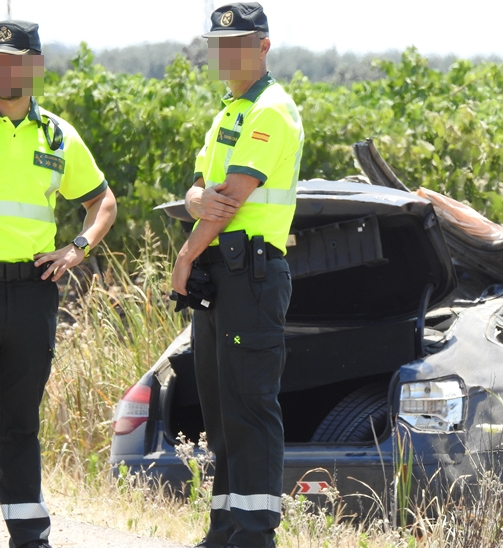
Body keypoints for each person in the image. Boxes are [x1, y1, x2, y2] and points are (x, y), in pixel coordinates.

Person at [171, 3, 303, 547]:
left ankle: (254, 533)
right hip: (222, 276)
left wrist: (184, 256)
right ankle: (224, 529)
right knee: (221, 411)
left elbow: (226, 201)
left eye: (237, 44)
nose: (224, 55)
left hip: (250, 273)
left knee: (250, 407)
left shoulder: (271, 110)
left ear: (264, 46)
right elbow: (197, 192)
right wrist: (199, 201)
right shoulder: (228, 113)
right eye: (218, 45)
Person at [0, 20, 117, 548]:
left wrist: (78, 248)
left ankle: (29, 536)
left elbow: (103, 202)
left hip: (31, 291)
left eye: (13, 59)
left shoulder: (57, 135)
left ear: (33, 68)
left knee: (20, 420)